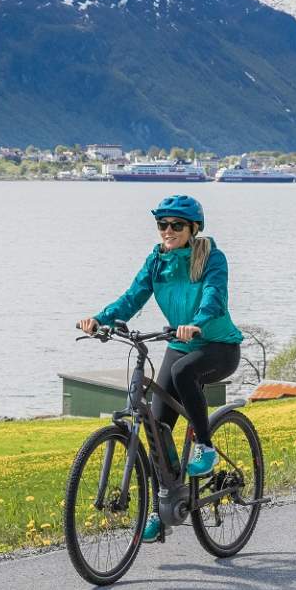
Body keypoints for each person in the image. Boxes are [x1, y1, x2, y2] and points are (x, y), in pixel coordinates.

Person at [78, 194, 240, 542]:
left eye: (176, 225)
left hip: (218, 346)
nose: (167, 230)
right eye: (162, 224)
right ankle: (160, 509)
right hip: (179, 344)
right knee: (156, 430)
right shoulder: (157, 260)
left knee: (184, 374)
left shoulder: (211, 257)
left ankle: (206, 447)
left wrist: (196, 322)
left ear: (192, 228)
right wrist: (101, 319)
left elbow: (214, 295)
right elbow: (132, 297)